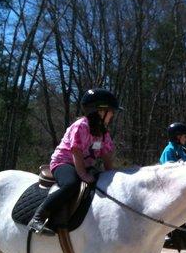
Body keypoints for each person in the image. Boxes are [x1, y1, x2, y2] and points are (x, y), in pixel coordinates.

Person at [28, 89, 121, 235]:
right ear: (100, 111)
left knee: (100, 183)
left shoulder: (104, 133)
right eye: (111, 111)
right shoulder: (81, 126)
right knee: (70, 184)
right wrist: (82, 174)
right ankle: (39, 216)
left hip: (85, 165)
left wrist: (112, 175)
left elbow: (107, 155)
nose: (113, 115)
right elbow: (76, 152)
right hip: (64, 162)